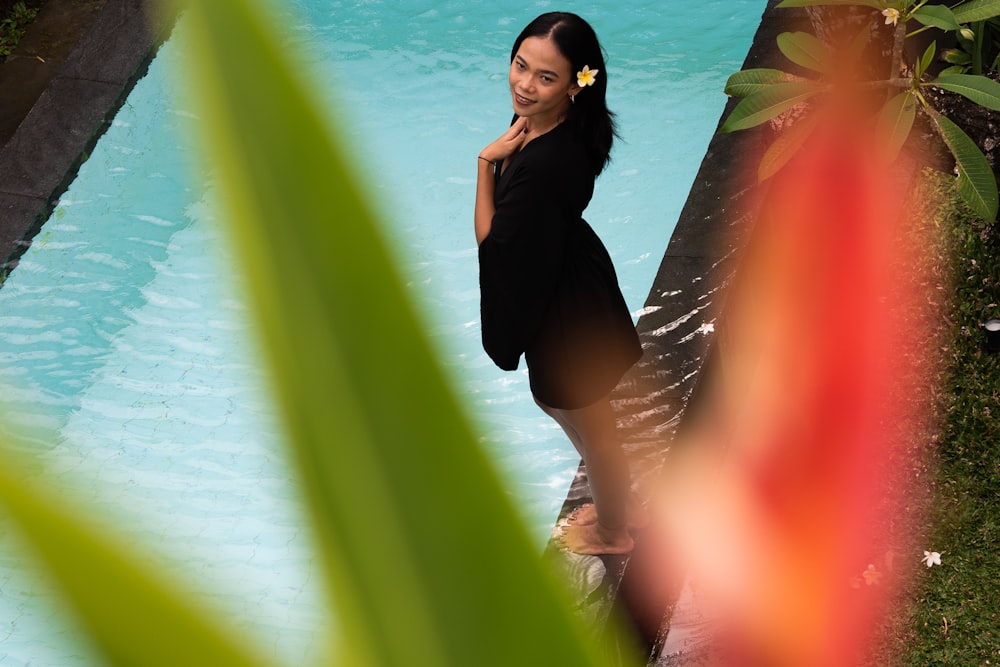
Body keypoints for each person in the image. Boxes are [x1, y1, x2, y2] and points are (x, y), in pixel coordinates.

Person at [474, 12, 642, 555]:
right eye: (520, 66)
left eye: (545, 78)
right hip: (568, 277)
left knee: (592, 426)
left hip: (563, 307)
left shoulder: (547, 161)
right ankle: (612, 502)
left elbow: (494, 246)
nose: (524, 85)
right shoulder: (563, 122)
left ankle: (615, 532)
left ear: (577, 82)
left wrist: (484, 164)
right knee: (569, 409)